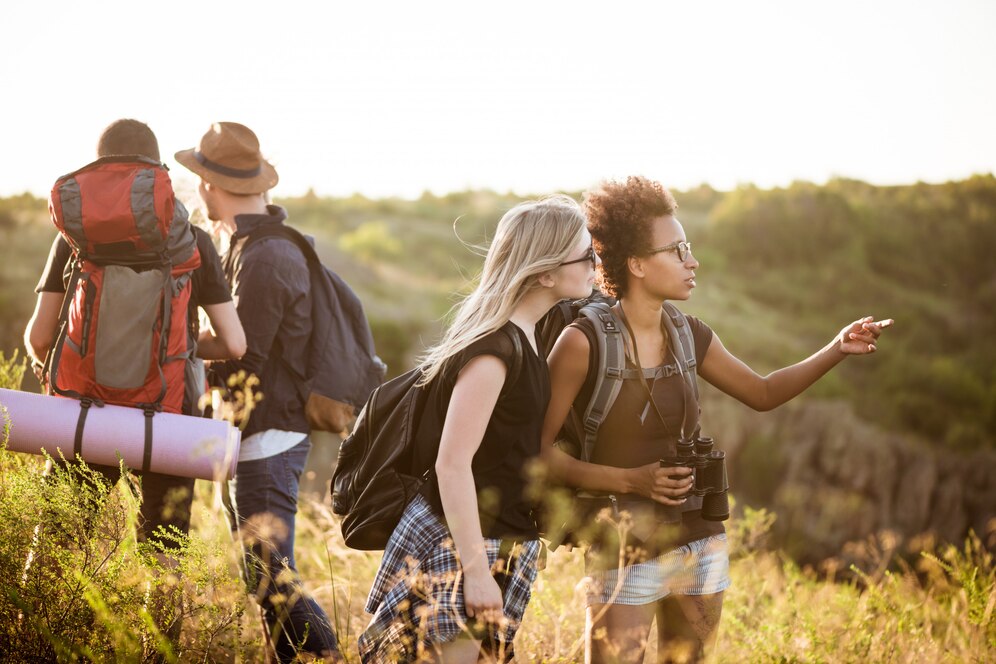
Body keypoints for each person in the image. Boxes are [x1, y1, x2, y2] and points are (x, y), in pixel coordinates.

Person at [539, 176, 893, 663]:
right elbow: (538, 457)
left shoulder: (691, 334)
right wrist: (632, 481)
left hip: (700, 543)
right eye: (677, 249)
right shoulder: (582, 344)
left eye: (689, 246)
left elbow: (763, 392)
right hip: (623, 549)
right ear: (636, 264)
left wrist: (837, 348)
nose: (692, 260)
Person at [358, 195, 597, 663]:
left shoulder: (527, 337)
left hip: (497, 541)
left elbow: (508, 457)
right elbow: (452, 464)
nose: (595, 264)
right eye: (586, 255)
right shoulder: (494, 351)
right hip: (464, 543)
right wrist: (476, 568)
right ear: (546, 272)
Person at [23, 117, 246, 557]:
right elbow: (235, 344)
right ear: (155, 172)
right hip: (168, 417)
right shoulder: (193, 240)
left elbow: (40, 338)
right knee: (163, 557)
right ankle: (156, 630)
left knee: (57, 550)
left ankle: (43, 627)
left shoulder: (74, 239)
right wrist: (171, 344)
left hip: (84, 412)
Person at [175, 121, 341, 662]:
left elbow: (244, 352)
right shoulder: (256, 245)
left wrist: (167, 339)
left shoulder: (266, 256)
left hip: (269, 436)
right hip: (261, 432)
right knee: (265, 579)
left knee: (272, 580)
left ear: (207, 185)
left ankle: (335, 656)